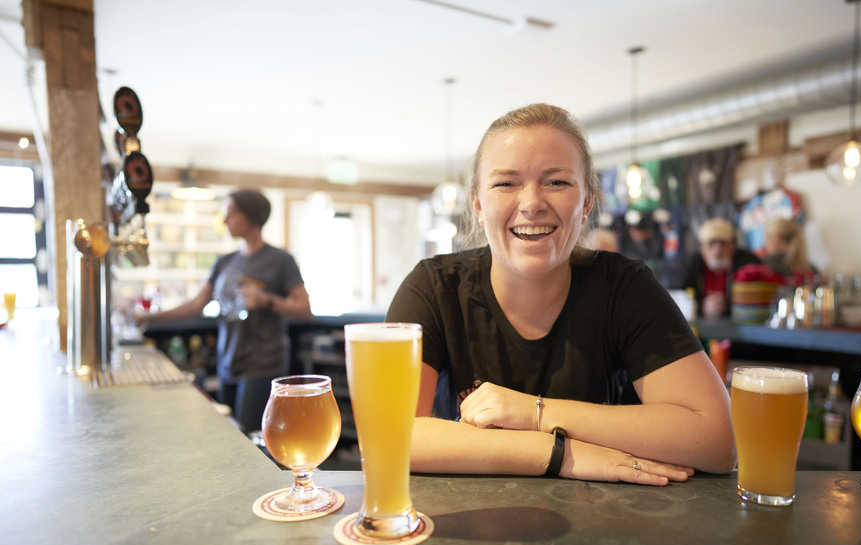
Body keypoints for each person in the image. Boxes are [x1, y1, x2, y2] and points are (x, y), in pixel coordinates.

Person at [386, 104, 736, 485]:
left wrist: (536, 413)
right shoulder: (434, 287)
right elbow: (389, 438)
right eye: (506, 183)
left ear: (586, 203)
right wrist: (562, 454)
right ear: (478, 205)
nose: (532, 203)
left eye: (557, 182)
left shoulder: (625, 286)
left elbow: (718, 441)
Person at [137, 189, 314, 432]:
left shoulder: (280, 260)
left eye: (231, 213)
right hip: (228, 362)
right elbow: (196, 304)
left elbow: (305, 309)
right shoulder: (224, 261)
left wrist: (267, 301)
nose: (225, 220)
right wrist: (149, 317)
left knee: (249, 438)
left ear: (252, 217)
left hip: (263, 364)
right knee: (230, 432)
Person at [677, 217, 761, 318]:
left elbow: (758, 301)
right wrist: (700, 307)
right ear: (701, 248)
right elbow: (680, 299)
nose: (717, 250)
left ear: (733, 245)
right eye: (711, 243)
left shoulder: (749, 263)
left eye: (723, 243)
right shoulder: (690, 265)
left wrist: (728, 307)